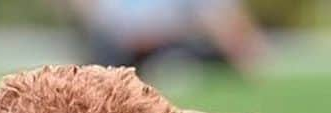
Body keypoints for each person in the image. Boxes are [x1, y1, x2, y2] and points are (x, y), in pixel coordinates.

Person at [69, 0, 266, 74]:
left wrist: (245, 51)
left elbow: (218, 15)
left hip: (174, 40)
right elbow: (104, 15)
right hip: (125, 42)